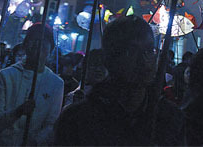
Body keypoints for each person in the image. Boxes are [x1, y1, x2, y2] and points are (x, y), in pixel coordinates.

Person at [54, 15, 185, 145]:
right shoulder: (77, 120)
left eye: (150, 51)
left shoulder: (170, 118)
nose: (143, 61)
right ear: (110, 58)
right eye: (132, 52)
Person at [0, 23, 64, 145]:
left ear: (51, 48)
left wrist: (35, 142)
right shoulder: (5, 76)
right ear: (25, 45)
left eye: (43, 41)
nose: (38, 45)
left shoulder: (56, 84)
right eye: (34, 40)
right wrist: (18, 112)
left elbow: (51, 124)